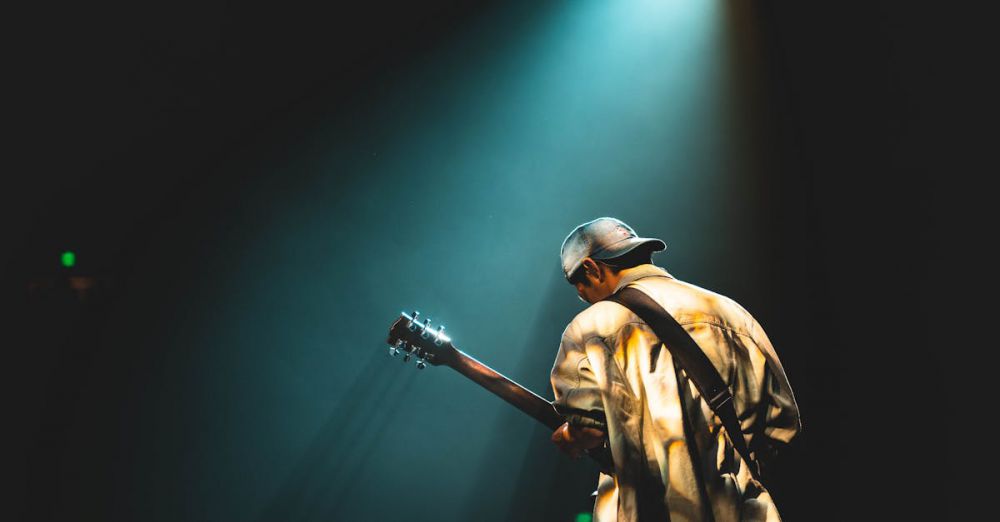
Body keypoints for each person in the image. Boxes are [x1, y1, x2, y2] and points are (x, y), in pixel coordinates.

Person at [549, 217, 801, 522]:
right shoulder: (731, 313)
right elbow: (782, 423)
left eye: (579, 287)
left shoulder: (588, 329)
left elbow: (589, 430)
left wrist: (570, 437)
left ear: (591, 268)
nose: (582, 298)